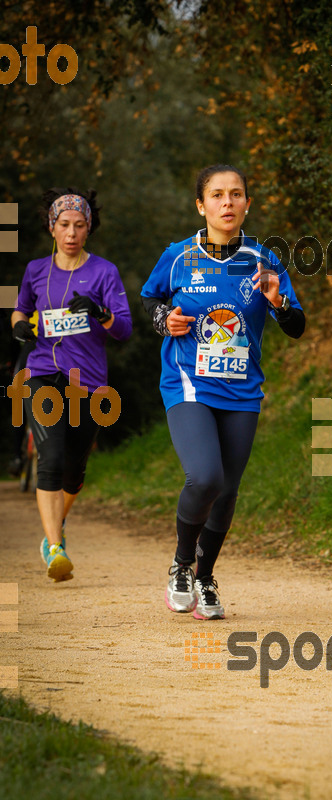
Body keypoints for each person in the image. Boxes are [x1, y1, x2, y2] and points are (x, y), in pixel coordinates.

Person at [141, 164, 305, 620]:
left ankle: (206, 576)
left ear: (247, 203)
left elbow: (295, 327)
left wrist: (279, 302)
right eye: (217, 195)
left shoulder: (263, 260)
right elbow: (151, 300)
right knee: (206, 477)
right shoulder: (177, 256)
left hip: (242, 390)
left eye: (236, 194)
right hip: (189, 383)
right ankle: (181, 562)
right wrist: (163, 321)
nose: (227, 202)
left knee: (228, 492)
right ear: (202, 205)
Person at [12, 188, 132, 582]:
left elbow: (124, 329)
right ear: (52, 227)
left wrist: (99, 312)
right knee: (52, 460)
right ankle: (56, 549)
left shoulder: (104, 272)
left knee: (74, 472)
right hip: (43, 372)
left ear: (89, 228)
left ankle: (53, 531)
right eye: (64, 224)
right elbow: (21, 308)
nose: (71, 232)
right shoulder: (34, 270)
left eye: (80, 225)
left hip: (88, 382)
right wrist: (18, 327)